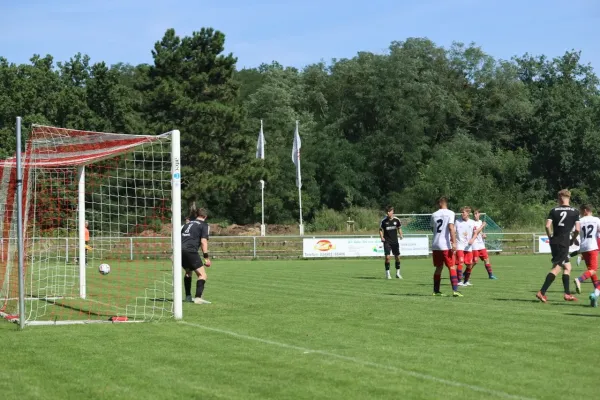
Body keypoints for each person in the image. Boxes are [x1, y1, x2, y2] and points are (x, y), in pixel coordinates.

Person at [536, 189, 580, 303]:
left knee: (568, 267)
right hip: (564, 242)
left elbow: (547, 226)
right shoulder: (575, 211)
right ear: (568, 197)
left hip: (555, 241)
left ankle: (567, 294)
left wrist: (550, 237)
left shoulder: (553, 210)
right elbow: (577, 229)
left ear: (560, 197)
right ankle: (542, 292)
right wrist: (572, 240)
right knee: (557, 268)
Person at [431, 197, 462, 297]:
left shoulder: (434, 214)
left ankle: (436, 291)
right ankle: (455, 290)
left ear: (439, 203)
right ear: (445, 203)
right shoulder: (450, 213)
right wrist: (454, 242)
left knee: (438, 268)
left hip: (436, 245)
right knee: (452, 266)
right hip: (445, 245)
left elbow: (433, 229)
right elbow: (451, 228)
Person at [181, 205, 212, 304]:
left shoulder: (187, 224)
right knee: (202, 275)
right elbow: (203, 241)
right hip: (190, 251)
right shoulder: (204, 225)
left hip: (180, 250)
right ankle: (198, 298)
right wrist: (206, 258)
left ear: (196, 215)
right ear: (205, 216)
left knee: (188, 272)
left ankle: (188, 297)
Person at [571, 205, 600, 306]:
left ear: (585, 210)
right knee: (593, 270)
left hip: (583, 248)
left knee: (592, 272)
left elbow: (574, 232)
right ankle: (579, 279)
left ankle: (594, 296)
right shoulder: (596, 220)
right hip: (593, 247)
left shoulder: (580, 220)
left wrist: (575, 240)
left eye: (581, 211)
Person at [455, 207, 484, 286]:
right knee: (460, 262)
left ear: (468, 213)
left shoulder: (472, 222)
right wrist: (453, 243)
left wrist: (472, 239)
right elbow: (453, 233)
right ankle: (459, 281)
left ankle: (466, 281)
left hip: (468, 247)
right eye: (461, 212)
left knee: (469, 264)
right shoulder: (457, 222)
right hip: (460, 246)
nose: (462, 214)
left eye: (463, 212)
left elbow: (476, 233)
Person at [471, 209, 497, 280]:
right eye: (474, 214)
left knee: (486, 259)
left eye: (476, 214)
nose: (475, 215)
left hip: (481, 244)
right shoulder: (472, 223)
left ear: (479, 214)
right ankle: (465, 273)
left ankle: (490, 275)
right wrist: (482, 225)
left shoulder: (480, 222)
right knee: (475, 261)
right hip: (475, 244)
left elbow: (480, 231)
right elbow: (475, 232)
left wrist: (483, 235)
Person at [379, 206, 403, 279]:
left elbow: (399, 228)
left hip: (395, 242)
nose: (388, 213)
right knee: (387, 257)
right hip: (387, 241)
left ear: (392, 212)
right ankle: (388, 274)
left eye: (389, 211)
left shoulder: (397, 220)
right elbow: (380, 230)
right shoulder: (383, 221)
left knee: (397, 257)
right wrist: (382, 237)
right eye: (387, 212)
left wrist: (401, 234)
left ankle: (398, 273)